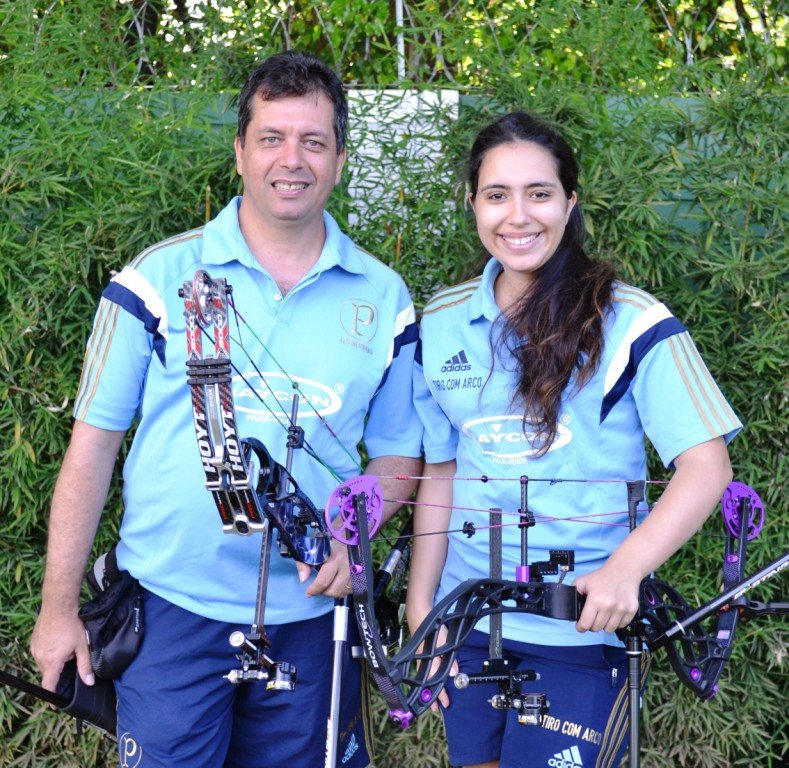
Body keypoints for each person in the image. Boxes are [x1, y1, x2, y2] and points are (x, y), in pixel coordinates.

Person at [31, 50, 422, 768]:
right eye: (271, 137)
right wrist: (57, 608)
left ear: (339, 159)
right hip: (172, 610)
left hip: (311, 618)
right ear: (239, 151)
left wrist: (356, 525)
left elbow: (400, 458)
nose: (291, 160)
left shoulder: (384, 296)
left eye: (313, 141)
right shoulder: (156, 279)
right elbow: (91, 448)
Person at [406, 112, 741, 768]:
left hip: (582, 631)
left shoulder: (632, 320)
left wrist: (625, 570)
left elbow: (707, 465)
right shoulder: (441, 321)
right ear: (472, 203)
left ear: (569, 203)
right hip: (470, 625)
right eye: (496, 195)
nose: (517, 215)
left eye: (538, 193)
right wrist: (424, 613)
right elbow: (440, 473)